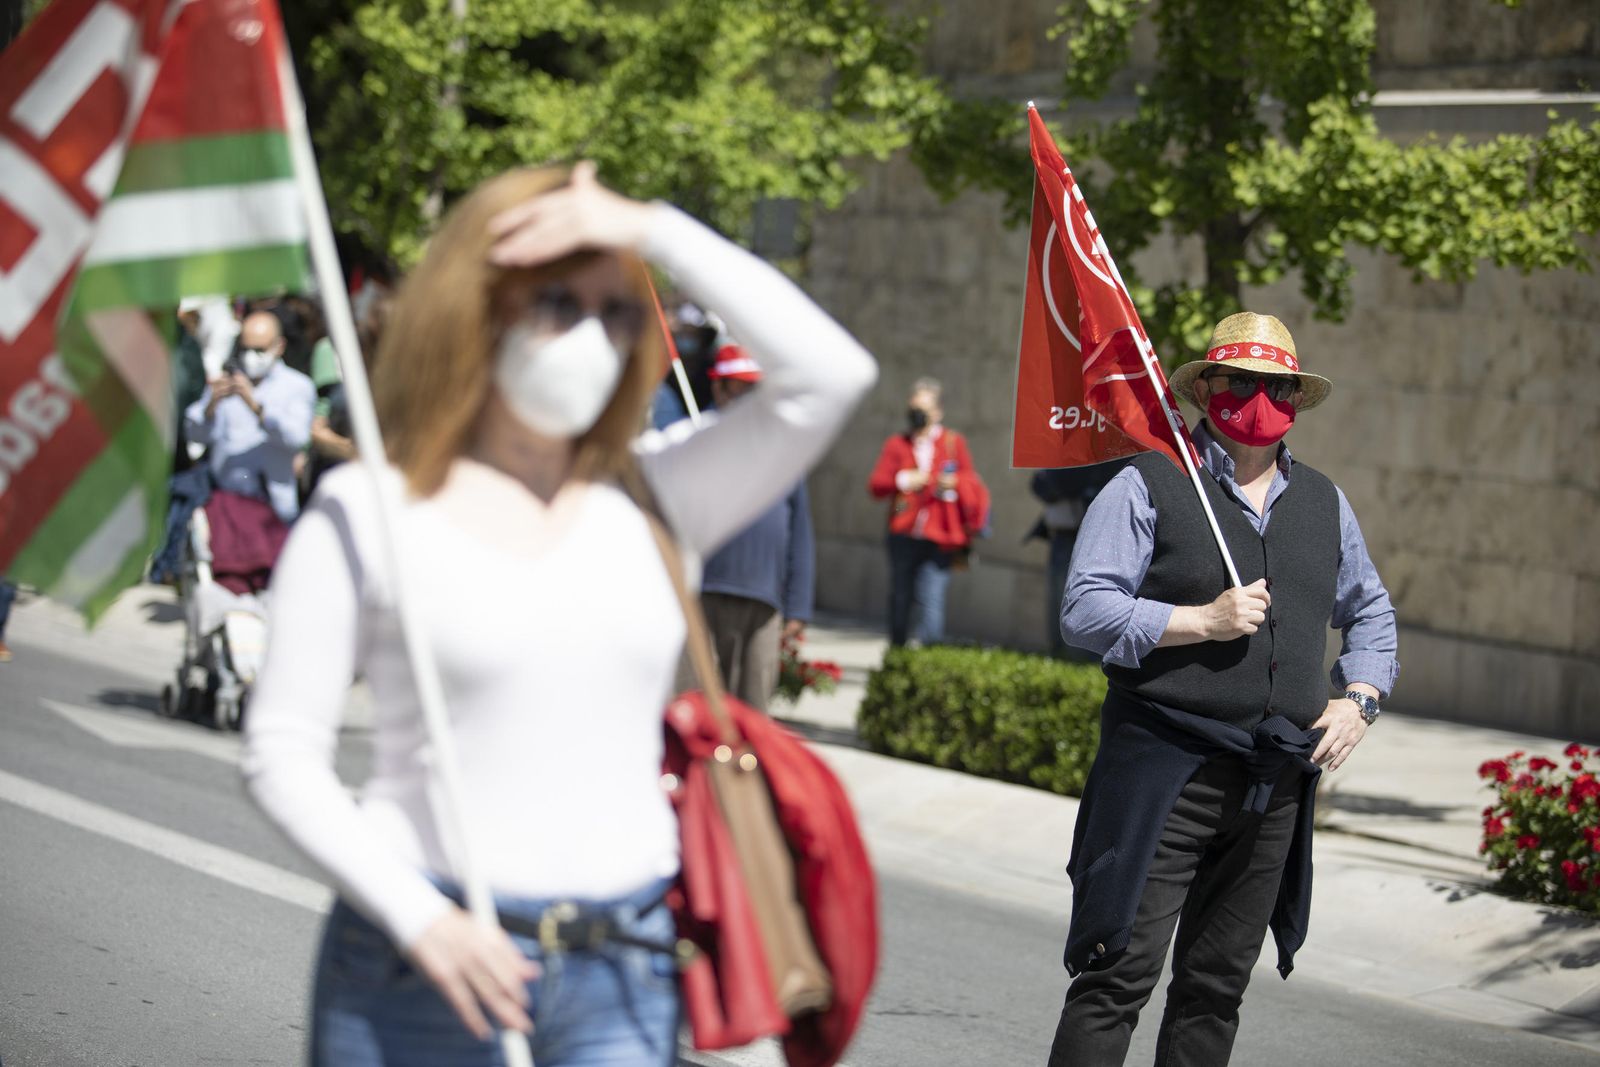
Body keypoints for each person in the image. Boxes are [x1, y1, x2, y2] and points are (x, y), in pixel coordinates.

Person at [240, 162, 876, 1066]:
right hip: (420, 973)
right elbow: (279, 752)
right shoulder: (370, 509)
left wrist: (651, 225)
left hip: (626, 969)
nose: (592, 335)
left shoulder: (659, 494)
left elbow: (832, 373)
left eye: (615, 311)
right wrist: (424, 922)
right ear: (478, 309)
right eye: (556, 304)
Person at [1045, 312, 1398, 1066]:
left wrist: (1360, 694)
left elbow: (1371, 609)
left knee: (1215, 987)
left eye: (1276, 386)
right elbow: (1084, 606)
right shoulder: (1147, 481)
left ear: (1296, 400)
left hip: (1271, 784)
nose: (1257, 398)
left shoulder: (1326, 503)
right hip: (1163, 771)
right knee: (1116, 974)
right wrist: (1199, 620)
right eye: (1239, 380)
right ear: (1205, 387)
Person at [696, 343, 816, 711]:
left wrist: (798, 605)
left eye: (755, 390)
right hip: (702, 591)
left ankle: (745, 770)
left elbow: (800, 531)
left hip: (763, 598)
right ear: (718, 388)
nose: (749, 399)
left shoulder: (782, 449)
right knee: (698, 703)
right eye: (739, 387)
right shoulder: (695, 439)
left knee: (752, 708)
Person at [867, 377, 990, 646]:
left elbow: (970, 479)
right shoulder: (897, 444)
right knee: (901, 596)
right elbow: (876, 486)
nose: (916, 414)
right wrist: (903, 479)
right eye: (913, 407)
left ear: (937, 412)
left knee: (931, 599)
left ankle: (926, 660)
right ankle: (897, 654)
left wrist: (955, 482)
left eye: (922, 408)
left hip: (940, 535)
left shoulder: (952, 443)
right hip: (903, 530)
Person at [183, 309, 316, 526]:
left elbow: (297, 437)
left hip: (273, 510)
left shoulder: (298, 386)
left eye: (259, 350)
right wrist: (211, 405)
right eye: (245, 349)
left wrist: (255, 406)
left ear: (279, 347)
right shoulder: (229, 381)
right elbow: (195, 434)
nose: (251, 357)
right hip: (225, 506)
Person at [1026, 459, 1128, 657]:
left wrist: (1052, 477)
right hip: (1061, 535)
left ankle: (1074, 658)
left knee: (1075, 601)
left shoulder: (1093, 452)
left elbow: (1061, 480)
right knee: (1058, 599)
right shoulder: (1068, 454)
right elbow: (1038, 486)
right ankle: (1061, 656)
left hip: (1080, 536)